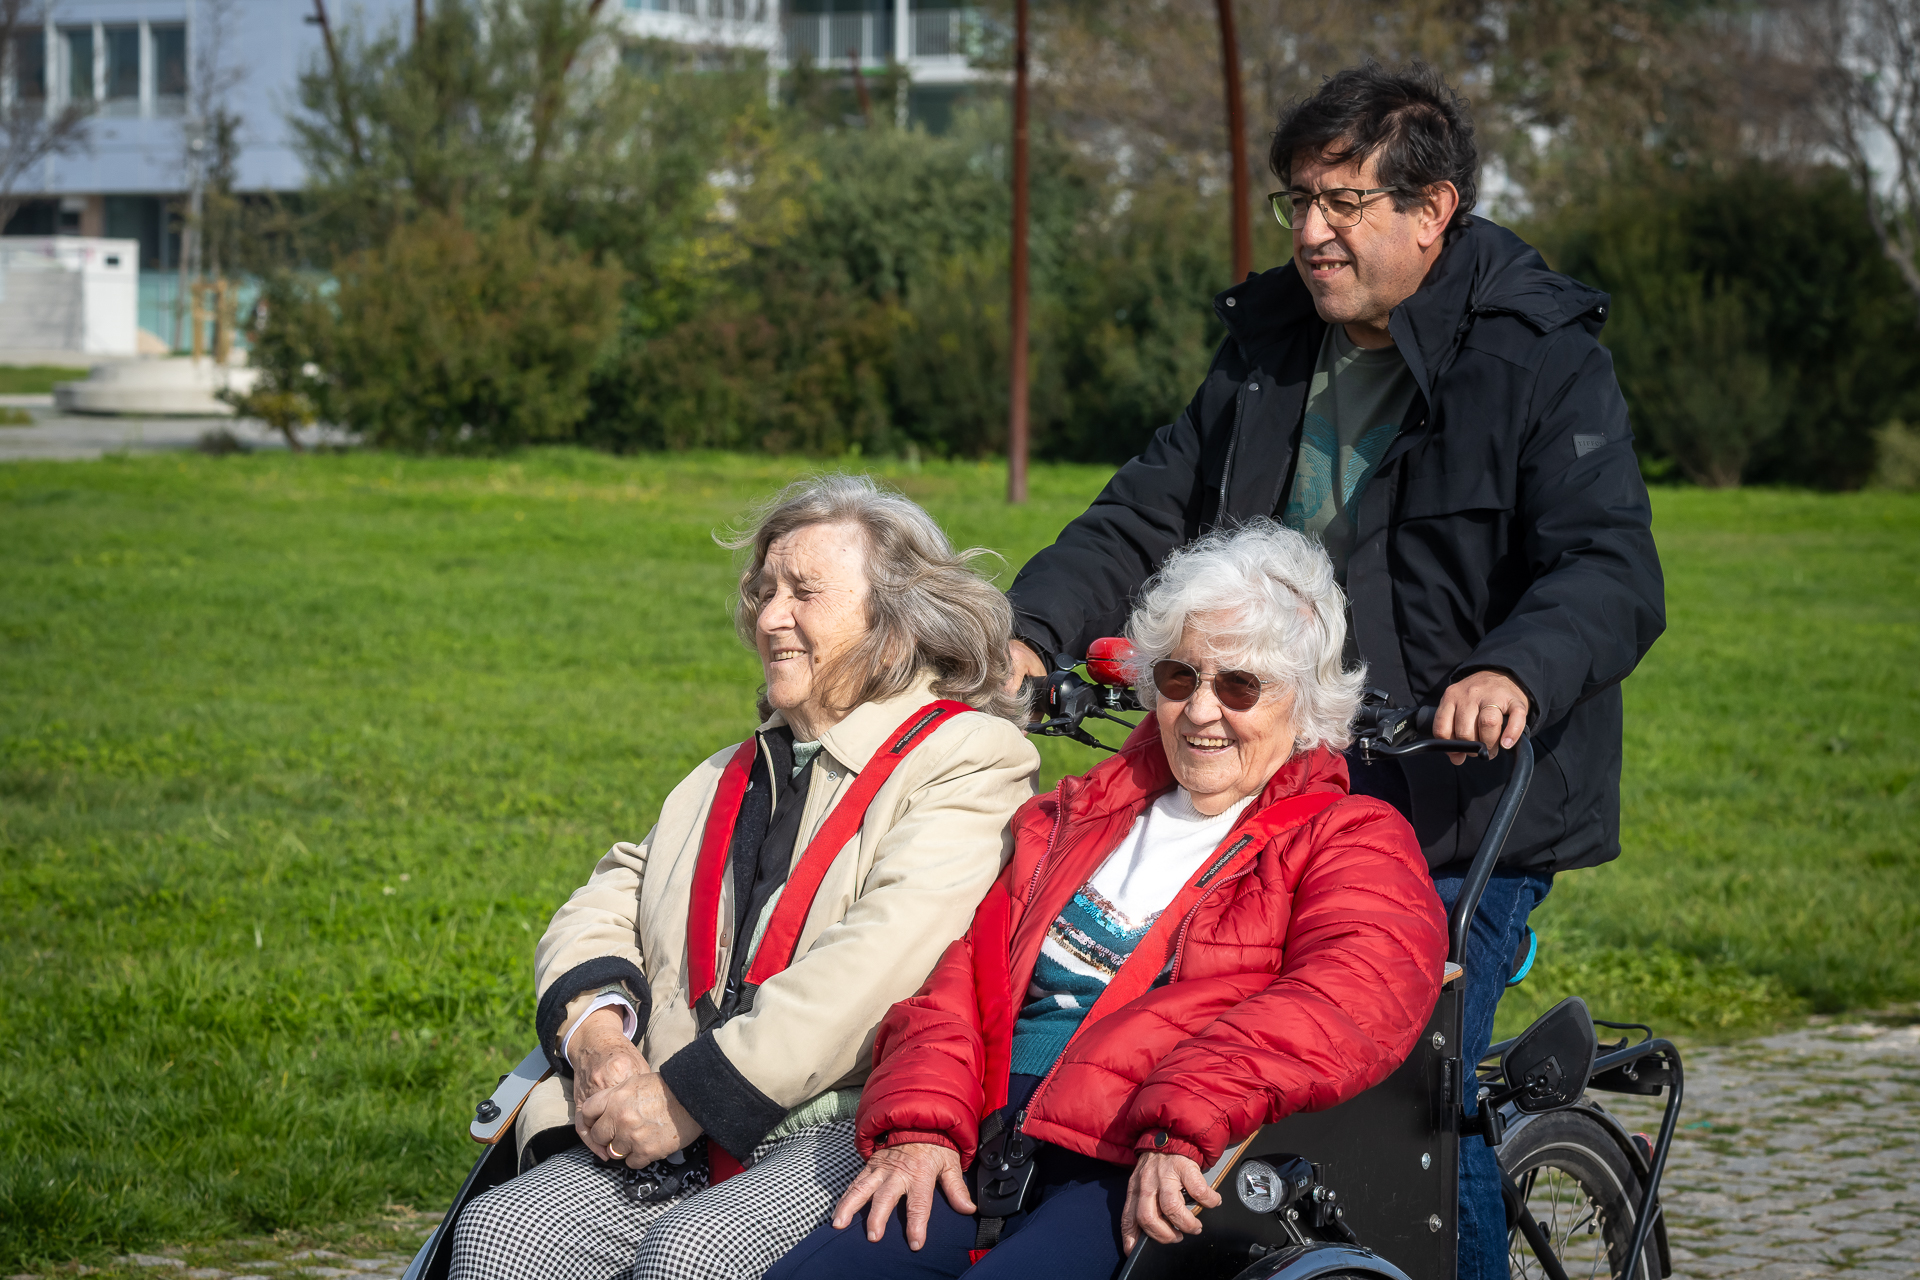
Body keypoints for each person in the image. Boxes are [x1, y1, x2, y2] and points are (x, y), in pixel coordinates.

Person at [997, 62, 1665, 1278]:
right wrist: (1032, 628)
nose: (1312, 232)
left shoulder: (1534, 350)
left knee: (1412, 1068)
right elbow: (1145, 515)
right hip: (1271, 780)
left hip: (1458, 805)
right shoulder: (1267, 345)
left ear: (1435, 209)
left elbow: (1611, 567)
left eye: (1345, 202)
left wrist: (1513, 666)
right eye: (1300, 200)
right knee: (1178, 1012)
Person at [766, 523, 1448, 1280]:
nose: (1200, 712)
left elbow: (1349, 996)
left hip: (1136, 1154)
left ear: (1307, 701)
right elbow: (961, 977)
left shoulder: (1350, 837)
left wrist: (1185, 1118)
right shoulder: (1079, 814)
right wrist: (920, 1124)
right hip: (986, 1134)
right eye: (1181, 678)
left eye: (1240, 686)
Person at [449, 475, 1041, 1280]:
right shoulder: (726, 772)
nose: (768, 618)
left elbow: (877, 961)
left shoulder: (968, 759)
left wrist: (685, 1101)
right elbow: (603, 902)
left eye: (804, 592)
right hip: (668, 1103)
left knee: (693, 1254)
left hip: (842, 1113)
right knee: (500, 1234)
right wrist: (599, 1044)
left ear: (895, 622)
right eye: (763, 592)